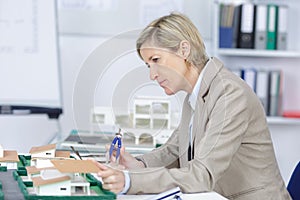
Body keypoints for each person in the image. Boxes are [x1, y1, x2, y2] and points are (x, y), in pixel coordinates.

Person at [95, 12, 291, 199]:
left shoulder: (230, 94)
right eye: (148, 65)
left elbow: (202, 174)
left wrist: (130, 181)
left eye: (156, 60)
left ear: (184, 50)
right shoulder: (195, 94)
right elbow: (173, 151)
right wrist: (137, 164)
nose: (152, 75)